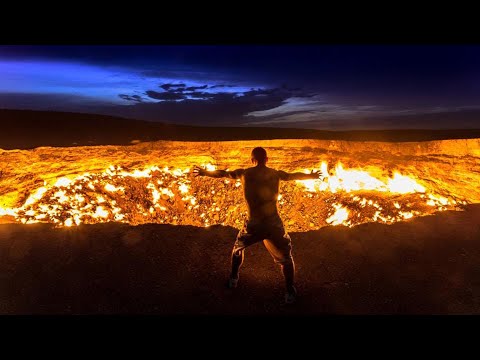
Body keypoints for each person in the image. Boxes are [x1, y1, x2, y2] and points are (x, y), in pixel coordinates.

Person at [193, 147, 321, 304]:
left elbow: (223, 174)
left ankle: (233, 278)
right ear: (267, 160)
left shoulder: (244, 173)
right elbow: (293, 176)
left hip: (254, 224)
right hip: (273, 224)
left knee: (237, 250)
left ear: (252, 160)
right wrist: (312, 176)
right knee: (286, 259)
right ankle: (289, 292)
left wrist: (205, 173)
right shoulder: (276, 174)